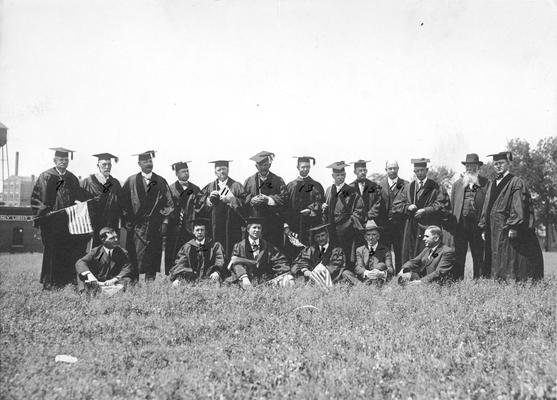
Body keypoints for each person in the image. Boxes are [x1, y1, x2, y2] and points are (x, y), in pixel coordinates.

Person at [31, 148, 91, 289]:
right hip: (51, 223)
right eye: (60, 160)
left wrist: (79, 202)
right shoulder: (46, 176)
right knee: (52, 252)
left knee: (67, 251)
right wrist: (44, 212)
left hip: (68, 222)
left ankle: (64, 282)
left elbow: (79, 196)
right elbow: (36, 198)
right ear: (54, 161)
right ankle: (49, 283)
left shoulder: (72, 178)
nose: (63, 162)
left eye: (65, 160)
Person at [478, 151, 544, 281]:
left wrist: (514, 226)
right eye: (495, 164)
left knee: (510, 255)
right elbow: (486, 207)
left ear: (508, 164)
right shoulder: (492, 183)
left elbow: (518, 205)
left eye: (501, 163)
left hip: (506, 226)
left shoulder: (516, 182)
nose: (498, 166)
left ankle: (511, 281)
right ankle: (497, 280)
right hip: (493, 227)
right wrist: (484, 227)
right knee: (496, 253)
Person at [119, 150, 174, 280]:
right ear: (139, 163)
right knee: (134, 255)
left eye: (150, 161)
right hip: (136, 226)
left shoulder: (160, 181)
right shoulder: (131, 180)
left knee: (153, 254)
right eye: (145, 161)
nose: (148, 164)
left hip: (155, 226)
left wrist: (164, 221)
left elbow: (170, 203)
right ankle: (133, 282)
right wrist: (128, 221)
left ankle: (150, 282)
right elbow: (122, 202)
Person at [401, 158, 451, 263]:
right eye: (417, 171)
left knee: (426, 249)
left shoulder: (435, 186)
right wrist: (407, 207)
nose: (419, 173)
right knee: (411, 250)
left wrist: (426, 210)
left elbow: (442, 204)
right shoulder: (409, 187)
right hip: (412, 225)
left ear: (426, 170)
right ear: (414, 172)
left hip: (429, 224)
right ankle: (411, 272)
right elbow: (399, 204)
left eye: (422, 170)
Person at [449, 153, 488, 279]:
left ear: (478, 167)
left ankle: (479, 280)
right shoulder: (457, 184)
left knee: (478, 255)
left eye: (473, 166)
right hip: (460, 225)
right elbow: (452, 205)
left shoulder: (486, 183)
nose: (470, 168)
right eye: (468, 166)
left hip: (477, 225)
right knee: (459, 254)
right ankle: (457, 280)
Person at [322, 161, 365, 267]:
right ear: (333, 176)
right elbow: (326, 207)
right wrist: (324, 207)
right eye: (337, 175)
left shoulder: (351, 191)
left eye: (342, 175)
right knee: (332, 250)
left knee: (346, 250)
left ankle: (346, 270)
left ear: (345, 175)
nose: (340, 177)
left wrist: (349, 223)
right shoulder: (329, 190)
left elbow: (359, 209)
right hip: (331, 226)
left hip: (346, 227)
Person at [228, 217, 293, 288]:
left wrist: (285, 272)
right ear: (248, 230)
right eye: (254, 227)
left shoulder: (267, 246)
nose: (257, 230)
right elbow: (236, 264)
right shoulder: (239, 246)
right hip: (246, 279)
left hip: (264, 279)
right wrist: (243, 277)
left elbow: (279, 260)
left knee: (288, 280)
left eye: (259, 228)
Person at [201, 160, 247, 258]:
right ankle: (217, 267)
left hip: (232, 224)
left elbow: (245, 203)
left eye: (224, 169)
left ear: (228, 170)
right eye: (219, 169)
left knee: (232, 245)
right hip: (214, 225)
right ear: (215, 172)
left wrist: (231, 199)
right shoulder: (209, 186)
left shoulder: (236, 185)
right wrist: (208, 200)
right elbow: (199, 202)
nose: (222, 172)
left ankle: (232, 268)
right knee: (216, 245)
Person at [243, 151, 288, 249]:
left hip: (273, 222)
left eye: (266, 165)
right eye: (260, 165)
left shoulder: (278, 180)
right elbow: (243, 198)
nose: (263, 168)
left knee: (273, 248)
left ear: (270, 165)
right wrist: (251, 200)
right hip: (256, 221)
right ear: (256, 166)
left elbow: (284, 198)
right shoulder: (249, 181)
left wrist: (269, 199)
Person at [165, 161, 203, 273]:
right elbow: (167, 206)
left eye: (187, 171)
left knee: (190, 250)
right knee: (173, 250)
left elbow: (200, 206)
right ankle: (173, 273)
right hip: (175, 226)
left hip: (190, 226)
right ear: (176, 173)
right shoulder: (170, 189)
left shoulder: (195, 188)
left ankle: (191, 272)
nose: (186, 173)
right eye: (183, 171)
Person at [284, 156, 325, 259]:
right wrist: (286, 225)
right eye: (303, 167)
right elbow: (285, 206)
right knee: (294, 247)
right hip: (295, 223)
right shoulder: (291, 186)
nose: (305, 169)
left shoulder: (316, 185)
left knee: (311, 246)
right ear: (298, 167)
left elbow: (322, 203)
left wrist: (311, 210)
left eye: (307, 167)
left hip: (311, 223)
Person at [81, 153, 122, 246]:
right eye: (104, 164)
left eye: (109, 164)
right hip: (93, 226)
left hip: (111, 226)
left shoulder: (115, 183)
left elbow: (120, 206)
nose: (107, 167)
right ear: (98, 165)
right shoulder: (88, 182)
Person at [75, 227, 134, 292]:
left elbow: (127, 268)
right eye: (112, 238)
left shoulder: (122, 252)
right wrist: (90, 276)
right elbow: (80, 262)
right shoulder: (96, 251)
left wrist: (114, 279)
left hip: (114, 281)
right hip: (97, 281)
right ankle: (85, 292)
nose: (116, 240)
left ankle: (109, 291)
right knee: (82, 272)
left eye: (116, 237)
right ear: (103, 240)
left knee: (127, 280)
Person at [169, 218, 226, 284]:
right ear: (193, 232)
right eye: (197, 230)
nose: (199, 232)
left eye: (202, 230)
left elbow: (220, 259)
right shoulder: (188, 246)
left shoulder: (214, 245)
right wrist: (179, 278)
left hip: (210, 276)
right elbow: (181, 263)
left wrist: (217, 272)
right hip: (191, 277)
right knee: (177, 284)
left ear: (205, 231)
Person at [377, 160, 408, 273]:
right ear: (386, 170)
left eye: (394, 168)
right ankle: (385, 274)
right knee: (385, 251)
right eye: (390, 168)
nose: (392, 170)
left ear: (398, 169)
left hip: (400, 225)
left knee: (400, 250)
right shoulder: (379, 185)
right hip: (384, 226)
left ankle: (401, 274)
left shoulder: (406, 184)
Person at [349, 159, 382, 225]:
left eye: (364, 170)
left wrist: (369, 216)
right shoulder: (350, 188)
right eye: (360, 170)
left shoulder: (374, 186)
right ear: (355, 172)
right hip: (355, 222)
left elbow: (378, 202)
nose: (363, 172)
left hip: (372, 221)